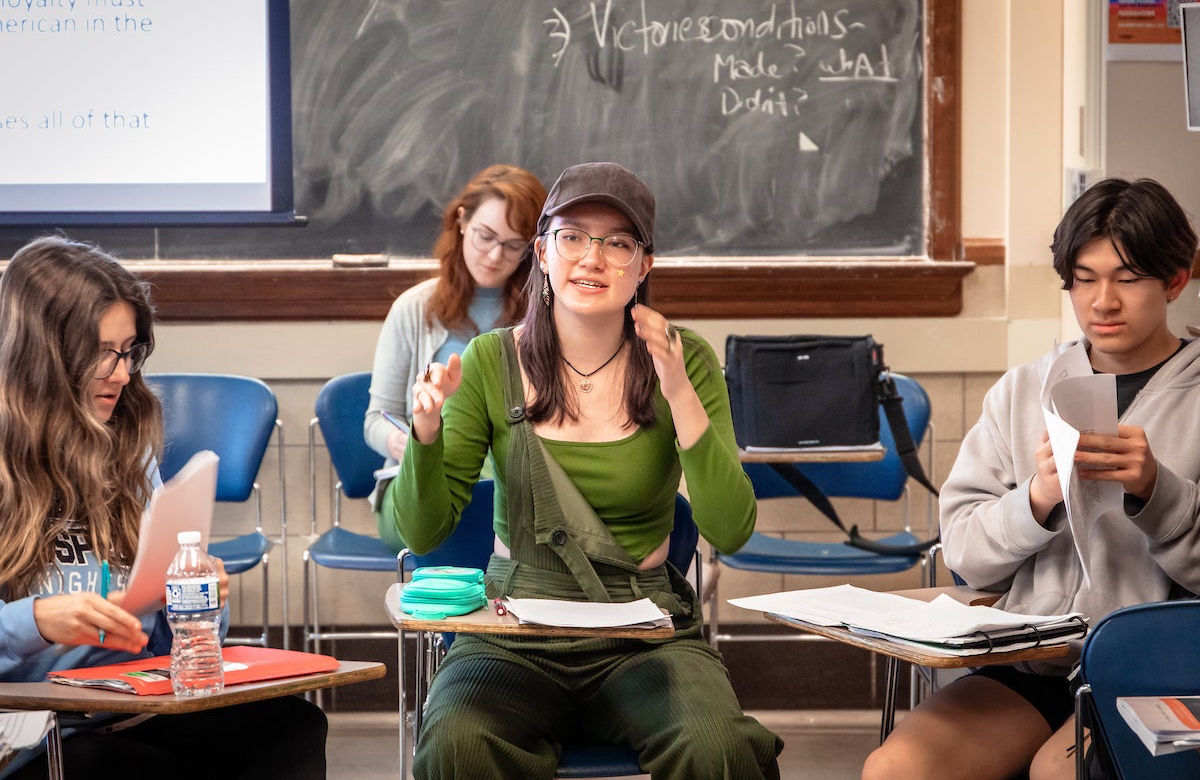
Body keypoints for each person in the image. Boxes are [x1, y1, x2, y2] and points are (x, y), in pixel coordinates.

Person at [387, 162, 783, 778]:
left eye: (618, 243)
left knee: (721, 748)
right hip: (512, 634)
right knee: (456, 745)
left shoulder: (686, 359)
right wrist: (427, 432)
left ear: (643, 266)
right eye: (572, 236)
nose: (591, 258)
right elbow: (421, 531)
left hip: (644, 638)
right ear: (542, 253)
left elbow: (730, 530)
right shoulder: (489, 360)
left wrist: (678, 390)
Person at [862, 177, 1200, 780]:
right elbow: (965, 548)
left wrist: (1157, 492)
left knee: (1056, 772)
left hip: (1158, 668)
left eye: (1126, 278)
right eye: (1084, 278)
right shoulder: (1023, 390)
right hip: (1031, 666)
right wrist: (1037, 500)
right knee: (897, 770)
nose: (1103, 301)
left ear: (1175, 280)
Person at [0, 236, 328, 780]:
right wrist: (36, 620)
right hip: (38, 729)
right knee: (106, 764)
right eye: (103, 352)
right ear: (44, 353)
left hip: (132, 705)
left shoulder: (127, 448)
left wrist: (198, 599)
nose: (123, 373)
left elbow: (178, 637)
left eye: (129, 351)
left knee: (291, 726)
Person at [365, 164, 547, 551]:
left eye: (514, 244)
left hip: (512, 481)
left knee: (508, 508)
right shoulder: (413, 308)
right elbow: (373, 421)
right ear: (461, 221)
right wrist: (410, 441)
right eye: (486, 236)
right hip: (422, 480)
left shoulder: (542, 316)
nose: (495, 255)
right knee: (466, 519)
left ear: (535, 249)